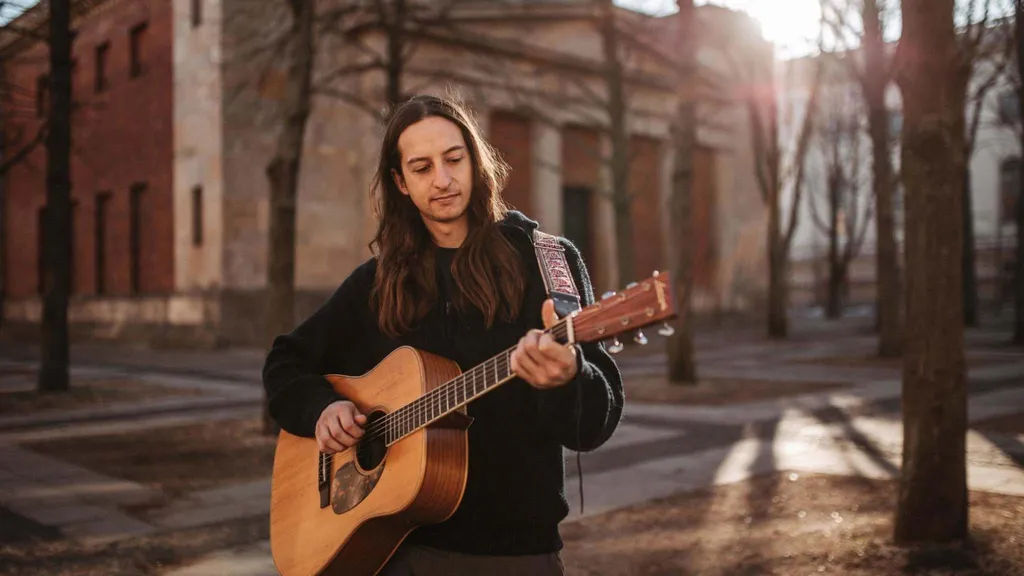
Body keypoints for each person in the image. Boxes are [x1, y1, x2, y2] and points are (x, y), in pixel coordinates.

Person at [262, 93, 624, 575]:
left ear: (475, 161)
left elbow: (594, 424)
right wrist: (322, 409)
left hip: (515, 556)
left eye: (454, 159)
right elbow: (285, 362)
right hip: (398, 552)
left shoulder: (547, 261)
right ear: (401, 182)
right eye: (422, 167)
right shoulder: (378, 283)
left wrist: (568, 379)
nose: (443, 180)